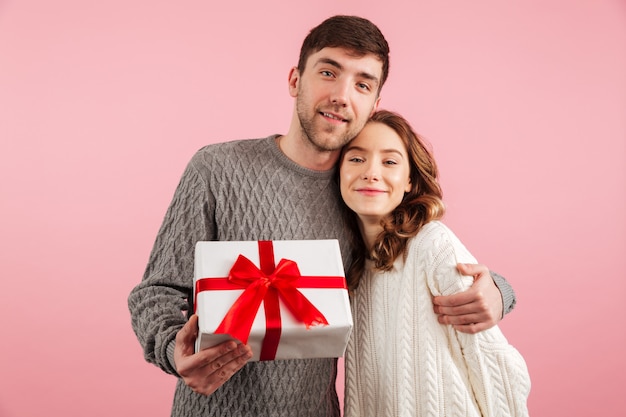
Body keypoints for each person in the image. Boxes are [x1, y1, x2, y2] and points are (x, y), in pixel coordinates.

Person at [127, 15, 517, 417]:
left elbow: (413, 261)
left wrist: (499, 291)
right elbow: (157, 290)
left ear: (373, 105)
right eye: (328, 72)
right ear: (296, 80)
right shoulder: (216, 168)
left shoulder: (363, 193)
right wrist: (174, 348)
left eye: (362, 84)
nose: (342, 95)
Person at [339, 109, 530, 417]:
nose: (370, 172)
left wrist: (501, 291)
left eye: (389, 161)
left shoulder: (432, 244)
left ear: (409, 181)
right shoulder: (353, 269)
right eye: (356, 159)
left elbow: (492, 361)